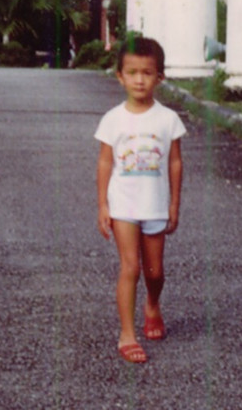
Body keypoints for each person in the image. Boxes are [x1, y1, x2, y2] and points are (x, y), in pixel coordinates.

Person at [95, 36, 185, 364]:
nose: (139, 80)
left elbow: (175, 163)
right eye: (131, 72)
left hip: (155, 204)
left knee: (155, 271)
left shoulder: (168, 119)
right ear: (119, 76)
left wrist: (174, 204)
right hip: (123, 206)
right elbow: (105, 162)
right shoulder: (113, 119)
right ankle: (127, 333)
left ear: (159, 77)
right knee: (130, 267)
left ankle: (152, 304)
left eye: (147, 73)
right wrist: (103, 204)